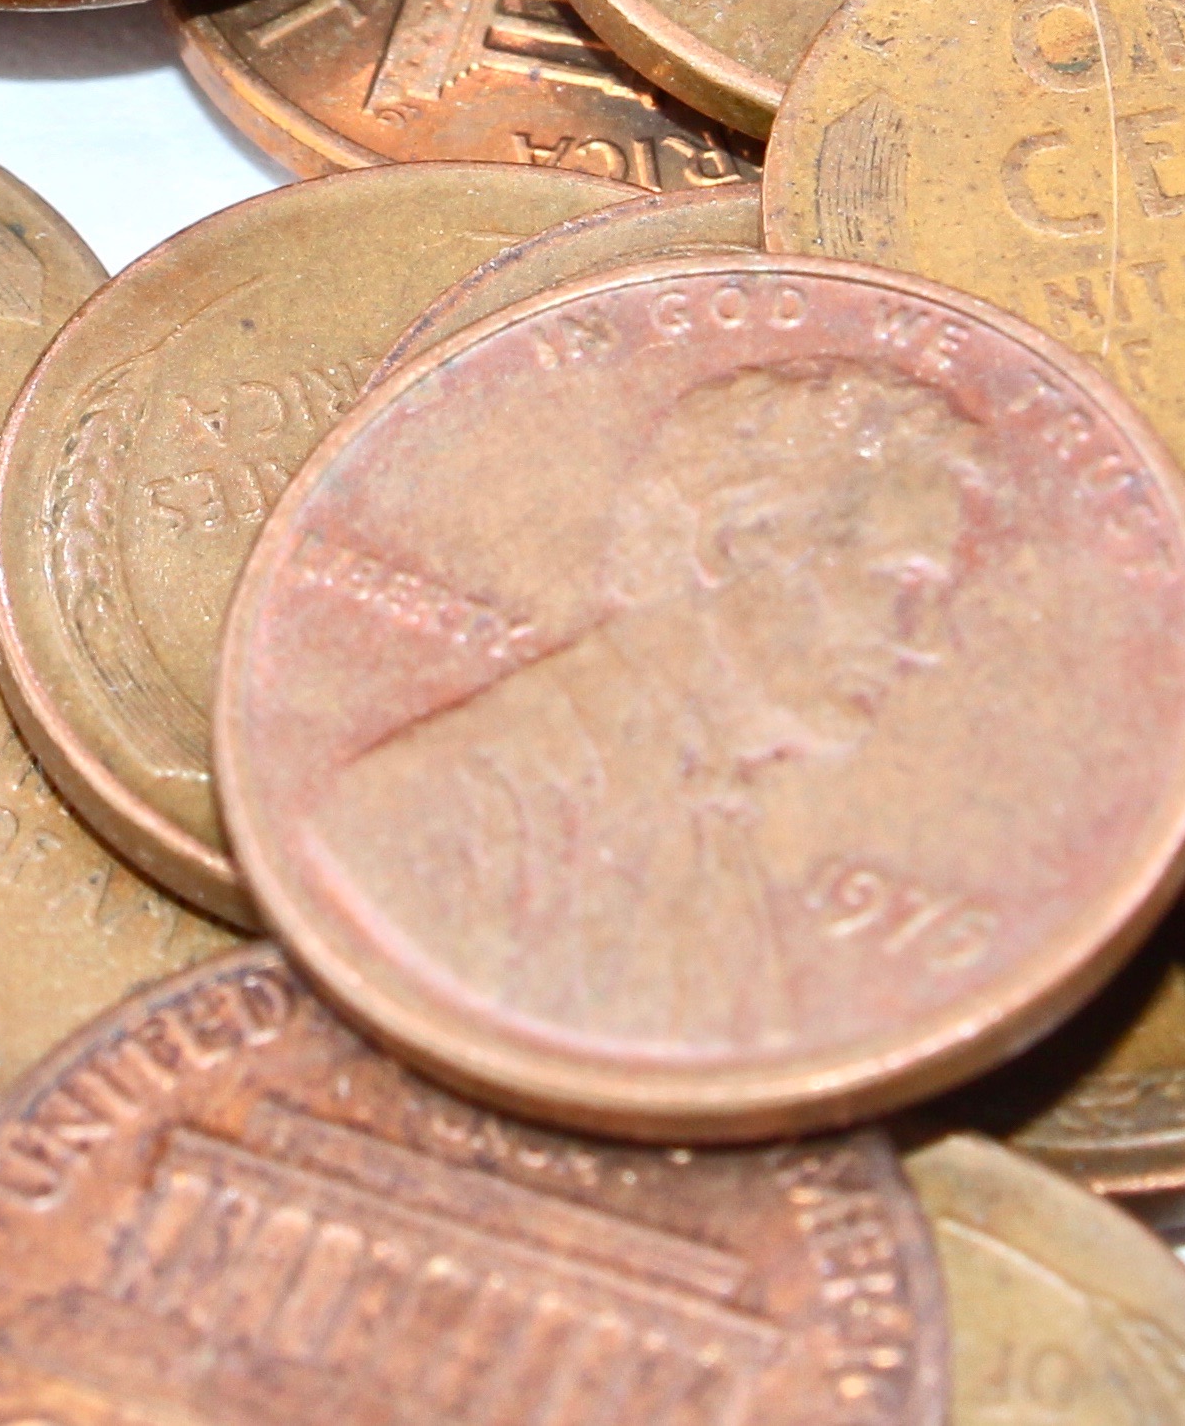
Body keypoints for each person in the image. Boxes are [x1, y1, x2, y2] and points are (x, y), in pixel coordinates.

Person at [311, 363, 982, 1046]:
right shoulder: (438, 810)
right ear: (731, 540)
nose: (920, 639)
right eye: (896, 580)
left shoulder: (712, 819)